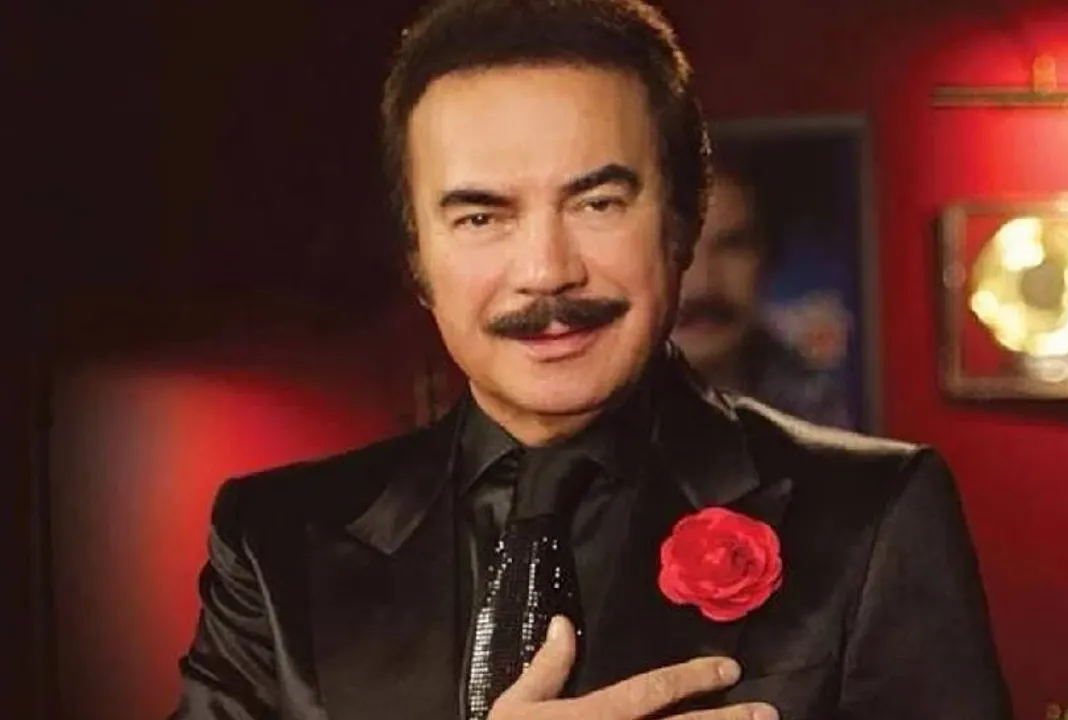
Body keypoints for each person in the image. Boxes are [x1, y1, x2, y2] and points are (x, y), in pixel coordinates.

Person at [171, 1, 1013, 718]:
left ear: (682, 222)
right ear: (417, 257)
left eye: (598, 202)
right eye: (481, 218)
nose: (546, 271)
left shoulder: (873, 516)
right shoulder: (273, 541)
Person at [671, 148, 852, 429]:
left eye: (732, 245)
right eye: (679, 246)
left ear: (766, 258)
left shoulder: (812, 407)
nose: (704, 284)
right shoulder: (599, 416)